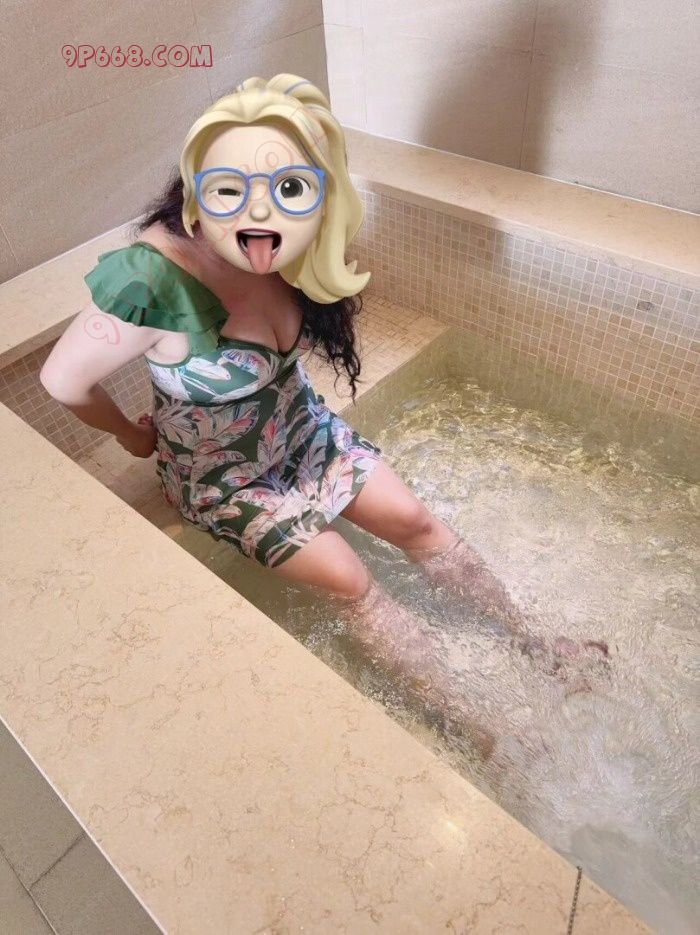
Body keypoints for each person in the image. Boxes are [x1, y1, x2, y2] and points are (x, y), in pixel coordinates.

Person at [40, 74, 605, 758]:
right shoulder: (153, 278)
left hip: (302, 434)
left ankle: (536, 642)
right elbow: (61, 379)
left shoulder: (293, 238)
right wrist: (134, 440)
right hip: (226, 480)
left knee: (416, 521)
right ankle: (481, 727)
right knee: (352, 581)